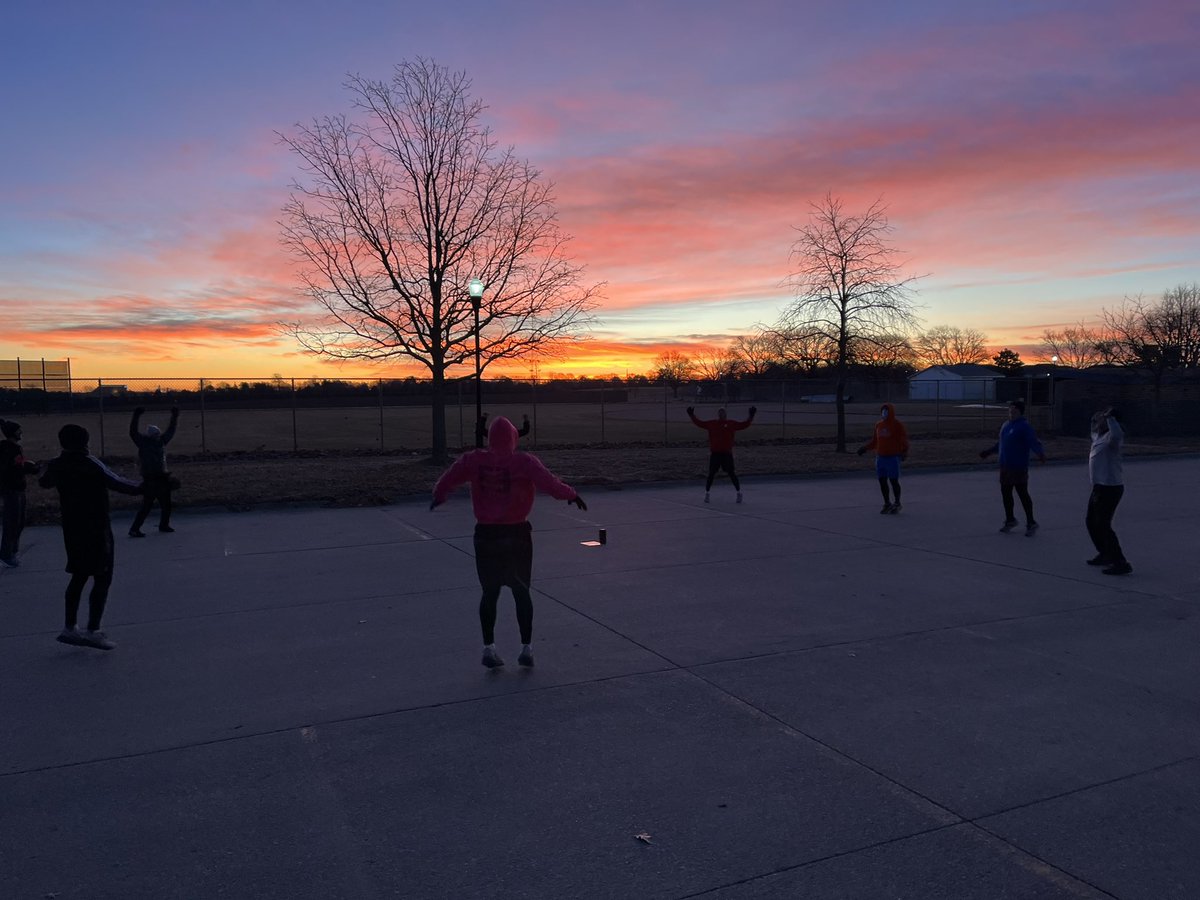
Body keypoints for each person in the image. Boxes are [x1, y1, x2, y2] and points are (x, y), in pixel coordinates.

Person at [431, 415, 587, 669]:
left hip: (486, 535)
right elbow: (550, 483)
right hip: (517, 535)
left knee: (489, 593)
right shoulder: (524, 462)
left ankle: (489, 647)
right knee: (521, 591)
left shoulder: (473, 460)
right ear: (514, 438)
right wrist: (571, 494)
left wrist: (439, 495)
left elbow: (449, 478)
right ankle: (526, 648)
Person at [39, 424, 143, 650]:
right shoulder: (90, 463)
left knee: (78, 576)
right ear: (85, 442)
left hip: (72, 528)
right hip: (96, 528)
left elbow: (44, 481)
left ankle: (70, 627)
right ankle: (93, 630)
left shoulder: (57, 464)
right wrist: (149, 485)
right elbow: (119, 483)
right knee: (102, 577)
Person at [979, 399, 1045, 536]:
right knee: (1006, 493)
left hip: (1018, 466)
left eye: (1014, 411)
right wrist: (988, 452)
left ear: (1020, 412)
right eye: (1010, 411)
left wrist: (1040, 454)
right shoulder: (1006, 425)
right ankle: (1010, 519)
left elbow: (1033, 441)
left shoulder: (1024, 426)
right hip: (1005, 466)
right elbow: (1001, 443)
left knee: (1022, 493)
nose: (1011, 413)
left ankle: (1031, 522)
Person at [1086, 407, 1132, 575]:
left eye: (1103, 419)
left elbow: (1116, 434)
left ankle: (1120, 562)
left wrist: (1110, 417)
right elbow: (1093, 429)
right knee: (1091, 521)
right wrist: (1096, 419)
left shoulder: (1113, 439)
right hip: (1099, 486)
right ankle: (1105, 553)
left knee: (1103, 524)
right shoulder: (1099, 437)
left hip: (1110, 488)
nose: (1100, 421)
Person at [687, 405, 757, 503]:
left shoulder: (731, 424)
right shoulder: (712, 424)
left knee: (731, 473)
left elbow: (744, 425)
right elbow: (700, 423)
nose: (721, 414)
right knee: (711, 474)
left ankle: (739, 493)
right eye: (720, 412)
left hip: (726, 454)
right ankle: (707, 493)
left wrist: (751, 416)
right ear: (718, 414)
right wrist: (691, 415)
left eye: (723, 412)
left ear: (725, 414)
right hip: (715, 454)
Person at [129, 405, 179, 537]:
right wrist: (136, 416)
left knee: (166, 505)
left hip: (161, 478)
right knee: (147, 506)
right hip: (151, 479)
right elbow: (133, 432)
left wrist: (174, 417)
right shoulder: (144, 442)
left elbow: (171, 430)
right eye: (155, 435)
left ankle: (163, 525)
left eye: (158, 434)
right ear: (150, 436)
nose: (157, 436)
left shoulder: (159, 441)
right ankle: (135, 529)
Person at [856, 403, 910, 513]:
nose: (884, 413)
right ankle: (887, 503)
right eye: (883, 411)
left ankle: (897, 502)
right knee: (882, 481)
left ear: (891, 412)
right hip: (881, 458)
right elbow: (875, 441)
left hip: (893, 458)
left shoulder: (897, 425)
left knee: (893, 480)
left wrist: (904, 451)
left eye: (886, 411)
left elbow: (903, 439)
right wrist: (865, 448)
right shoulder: (878, 425)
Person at [1, 419, 40, 567]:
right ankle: (7, 553)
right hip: (11, 489)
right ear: (12, 433)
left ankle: (12, 550)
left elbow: (17, 466)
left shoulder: (15, 448)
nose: (21, 432)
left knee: (19, 521)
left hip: (18, 488)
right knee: (12, 522)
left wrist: (27, 467)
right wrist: (27, 468)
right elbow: (10, 469)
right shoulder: (8, 449)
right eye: (18, 430)